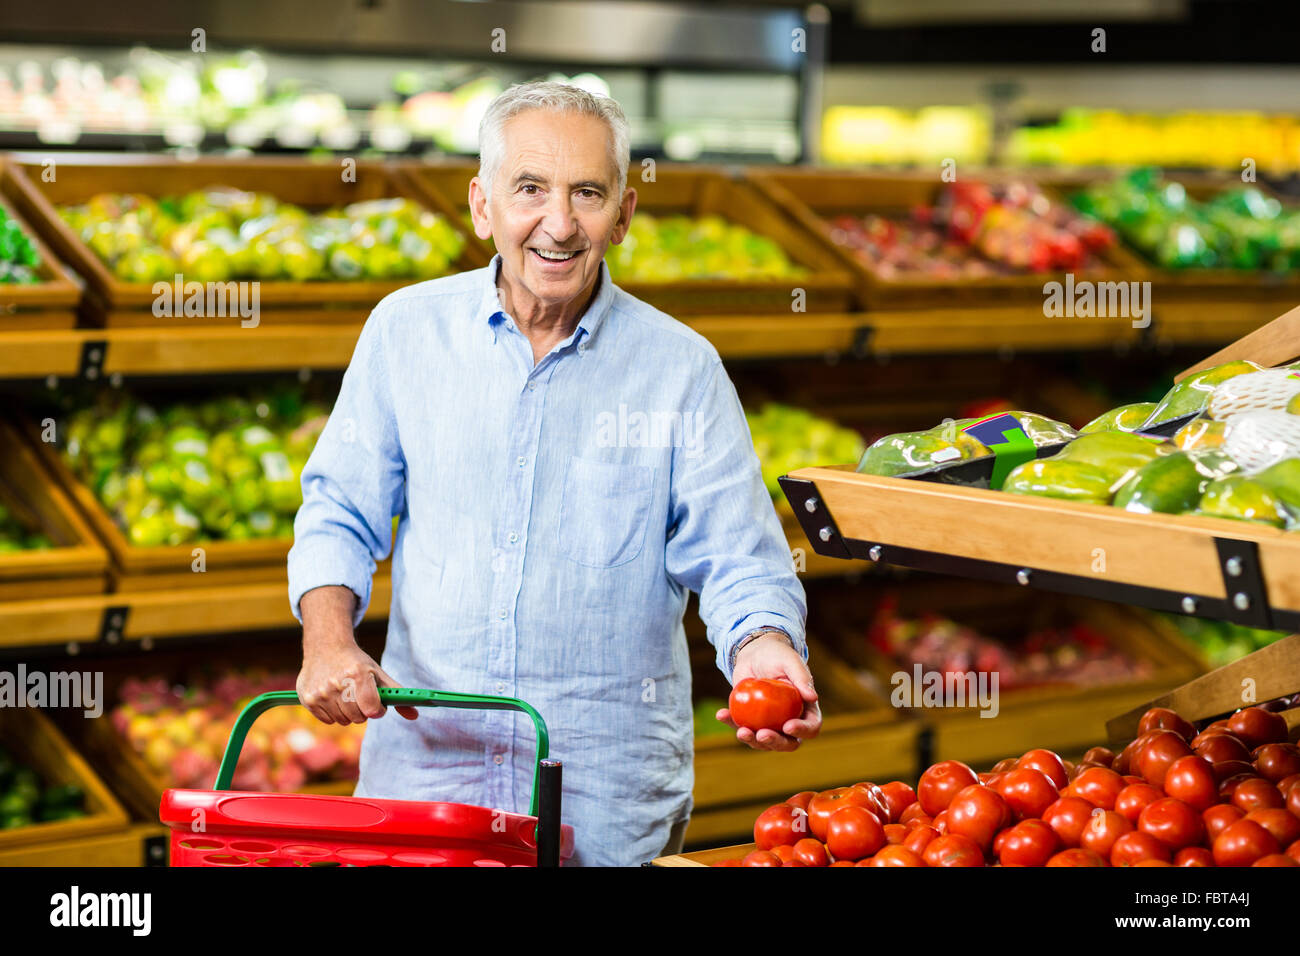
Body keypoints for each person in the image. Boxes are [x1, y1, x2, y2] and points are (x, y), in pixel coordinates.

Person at [288, 81, 817, 866]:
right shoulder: (406, 332)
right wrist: (328, 642)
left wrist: (764, 645)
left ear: (625, 214)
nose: (559, 224)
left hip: (604, 794)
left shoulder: (681, 370)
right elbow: (340, 509)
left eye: (588, 194)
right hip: (429, 779)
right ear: (482, 205)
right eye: (530, 189)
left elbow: (739, 557)